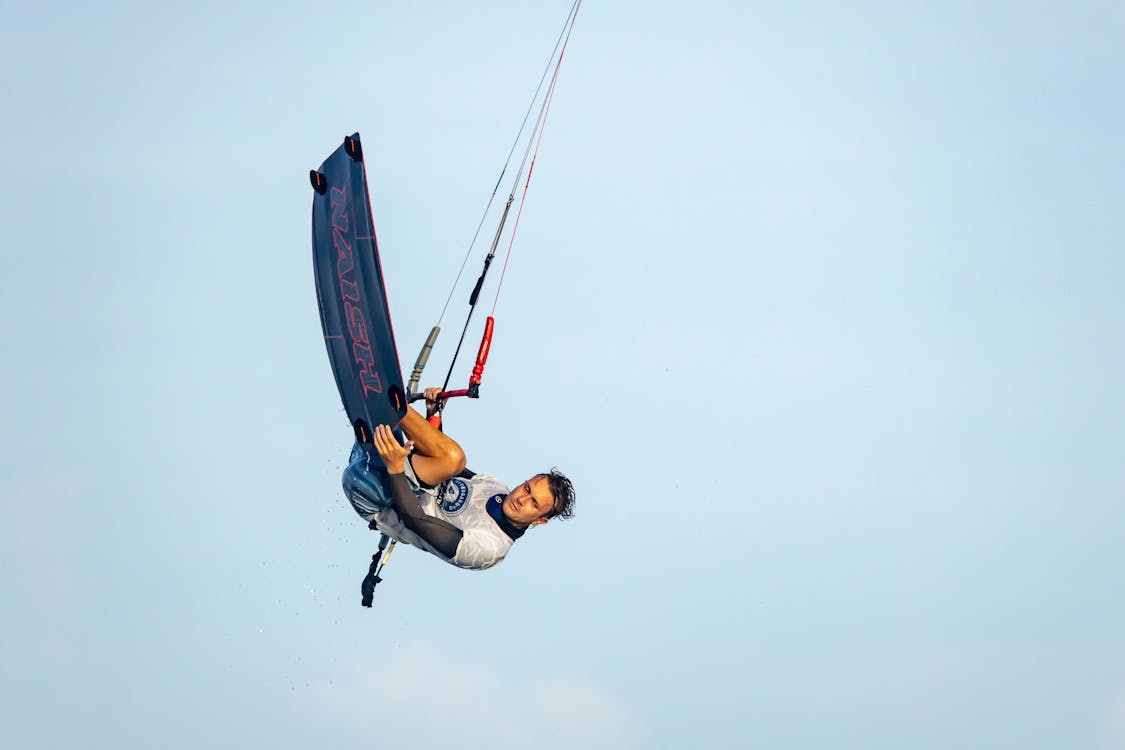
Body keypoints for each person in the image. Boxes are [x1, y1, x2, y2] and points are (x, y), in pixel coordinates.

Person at [341, 388, 576, 570]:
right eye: (527, 488)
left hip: (373, 493)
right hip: (384, 460)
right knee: (452, 460)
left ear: (539, 521)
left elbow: (416, 520)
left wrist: (394, 466)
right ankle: (389, 403)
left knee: (455, 458)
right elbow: (443, 467)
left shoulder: (489, 548)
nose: (522, 498)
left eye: (534, 503)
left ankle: (391, 402)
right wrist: (433, 415)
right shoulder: (497, 487)